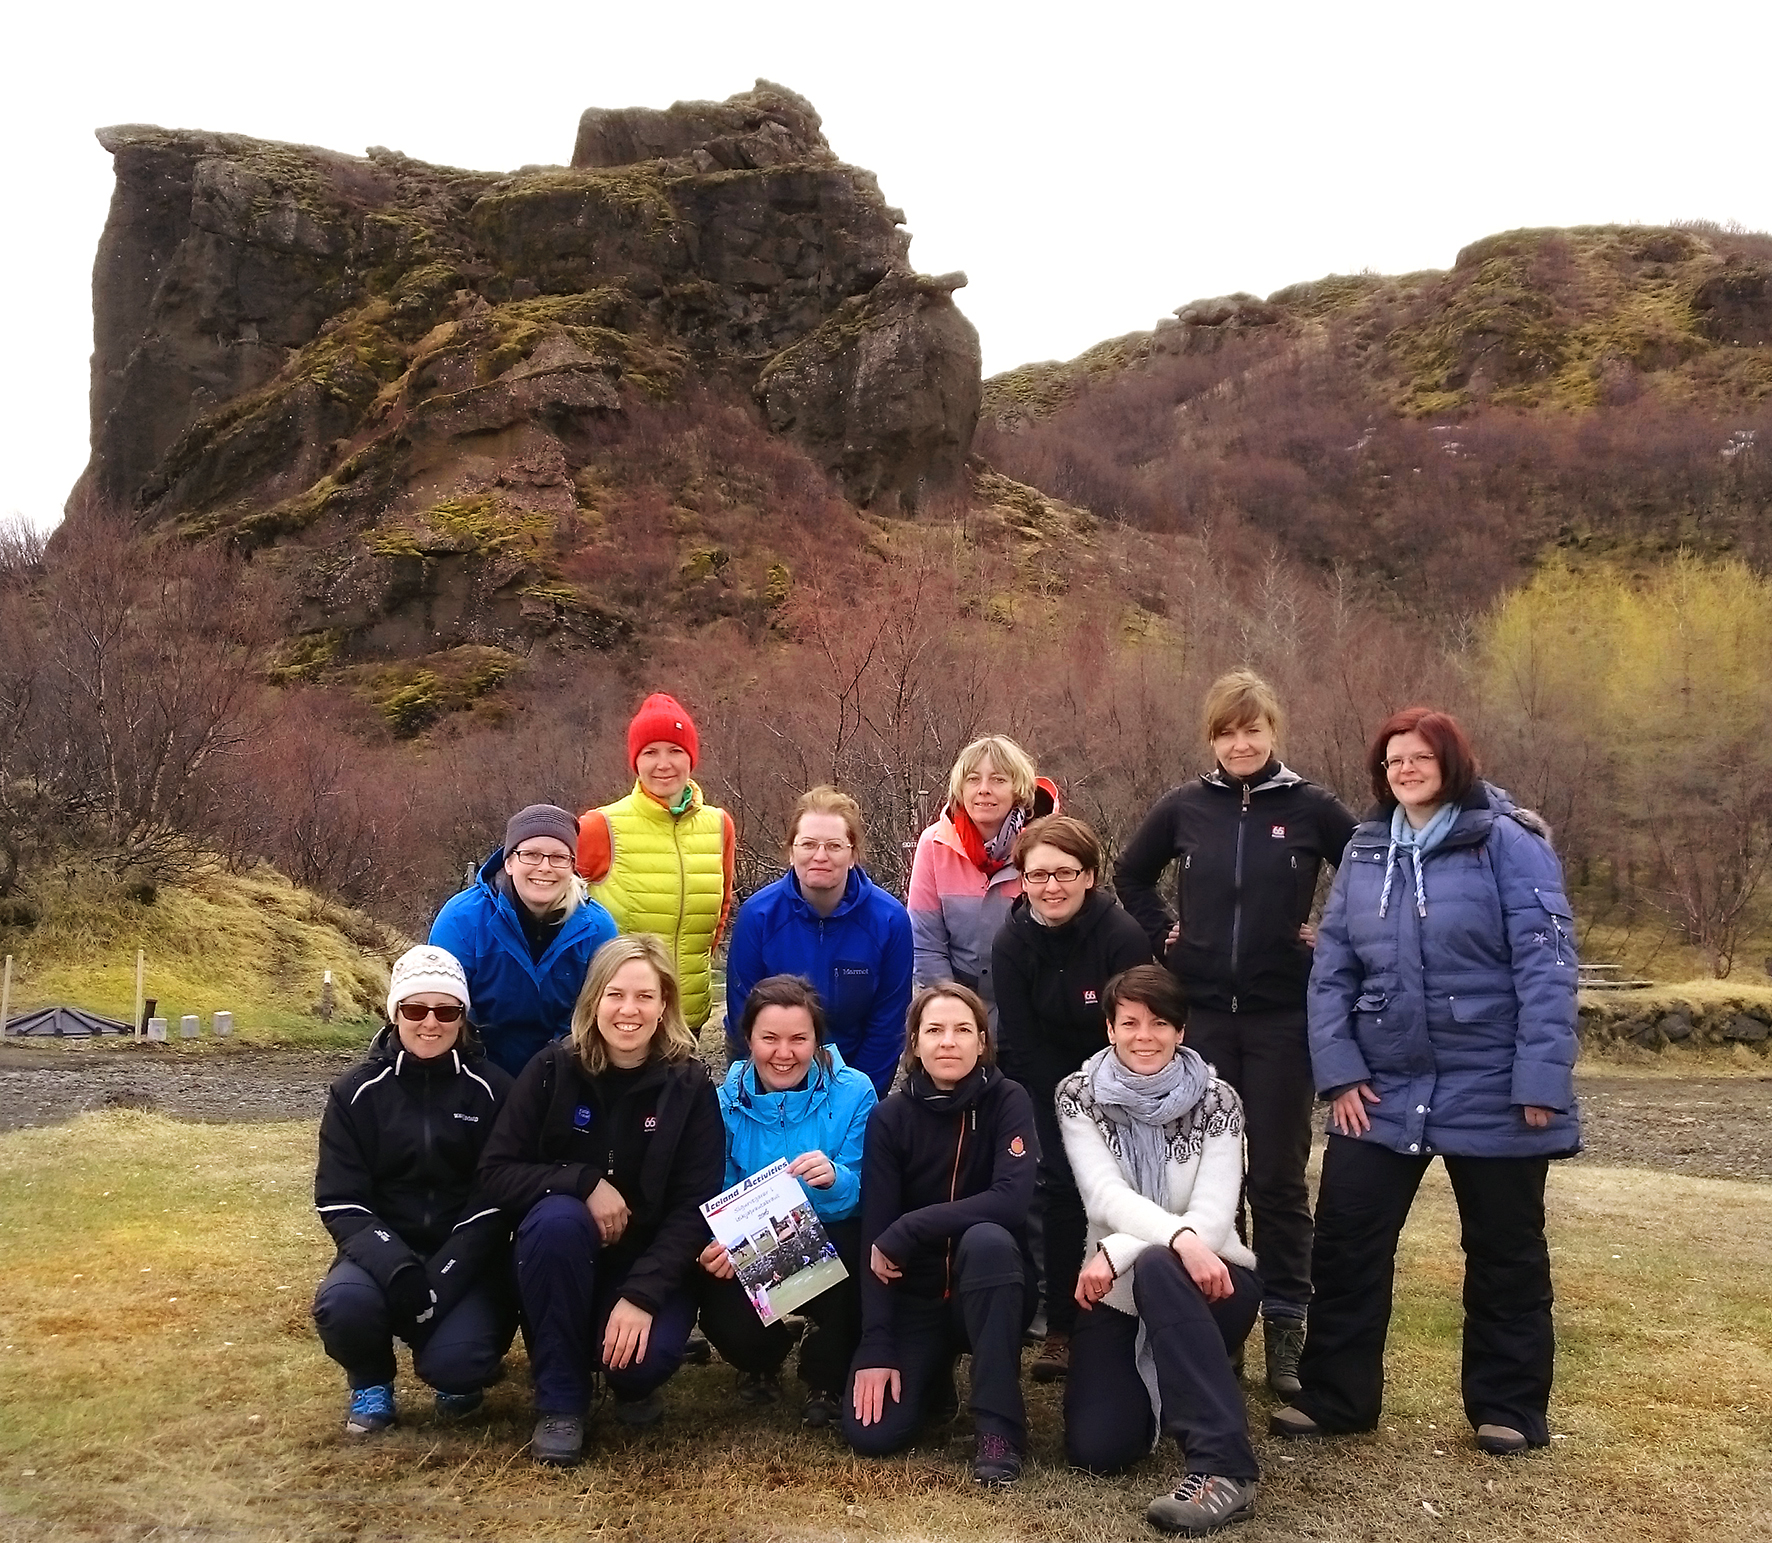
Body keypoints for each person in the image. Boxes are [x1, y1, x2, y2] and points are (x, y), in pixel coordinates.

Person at [1270, 707, 1580, 1458]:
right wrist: (1339, 1069)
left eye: (1418, 757)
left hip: (1494, 1082)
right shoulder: (1367, 849)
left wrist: (1541, 1077)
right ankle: (1337, 1397)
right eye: (1392, 760)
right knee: (1347, 1241)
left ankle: (1508, 1407)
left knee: (1505, 1250)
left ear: (1452, 762)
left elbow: (1547, 965)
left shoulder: (1508, 843)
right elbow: (1333, 967)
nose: (1404, 769)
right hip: (1381, 1086)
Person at [1113, 670, 1355, 1396]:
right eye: (1227, 731)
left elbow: (1369, 871)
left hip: (1284, 1016)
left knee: (1278, 1175)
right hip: (1206, 1015)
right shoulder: (1186, 805)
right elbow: (1129, 874)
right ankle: (1225, 1320)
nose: (1240, 742)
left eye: (1252, 729)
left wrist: (1332, 934)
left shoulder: (1312, 806)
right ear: (1212, 737)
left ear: (1273, 732)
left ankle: (1285, 1321)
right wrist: (1166, 938)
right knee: (1205, 1177)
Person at [475, 933, 724, 1466]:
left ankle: (625, 1372)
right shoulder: (551, 1069)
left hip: (650, 1262)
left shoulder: (689, 1085)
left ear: (664, 1007)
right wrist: (583, 1181)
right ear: (593, 1000)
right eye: (615, 994)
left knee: (637, 1367)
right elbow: (496, 1172)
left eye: (644, 997)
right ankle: (562, 1400)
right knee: (557, 1219)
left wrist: (643, 1295)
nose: (628, 1010)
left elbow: (695, 1204)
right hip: (561, 1255)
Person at [1059, 964, 1262, 1536]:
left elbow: (1215, 1216)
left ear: (1181, 1031)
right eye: (1130, 1023)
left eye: (1160, 1023)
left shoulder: (1219, 1100)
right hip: (1117, 1290)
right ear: (1109, 1029)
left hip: (1213, 1280)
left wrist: (1132, 1247)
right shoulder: (1078, 1097)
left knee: (1157, 1263)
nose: (1144, 1036)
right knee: (1098, 1448)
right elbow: (1103, 1194)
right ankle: (1183, 1380)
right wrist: (1164, 1240)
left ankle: (1223, 1468)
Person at [312, 945, 515, 1436]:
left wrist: (445, 1273)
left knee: (460, 1364)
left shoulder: (494, 1090)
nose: (430, 1022)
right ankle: (371, 1381)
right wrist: (397, 1267)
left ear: (463, 1018)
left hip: (464, 1257)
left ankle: (451, 1366)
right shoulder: (355, 1092)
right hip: (382, 1251)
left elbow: (496, 1197)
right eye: (414, 1008)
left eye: (446, 1011)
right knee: (343, 1306)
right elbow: (342, 1200)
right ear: (394, 1013)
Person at [842, 983, 1039, 1486]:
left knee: (988, 1238)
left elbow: (1010, 1201)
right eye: (934, 1030)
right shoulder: (889, 1118)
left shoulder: (1008, 1100)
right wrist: (877, 1345)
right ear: (913, 1043)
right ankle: (930, 1382)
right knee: (873, 1434)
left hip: (993, 1288)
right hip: (918, 1295)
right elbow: (876, 1234)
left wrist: (913, 1226)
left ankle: (998, 1425)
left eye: (961, 1031)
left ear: (981, 1042)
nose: (948, 1042)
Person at [990, 814, 1152, 1382]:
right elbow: (1021, 1035)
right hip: (1049, 1083)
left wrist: (1109, 1101)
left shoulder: (1121, 936)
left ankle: (1129, 1320)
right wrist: (1068, 1107)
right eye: (1038, 875)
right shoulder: (1011, 941)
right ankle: (1060, 1326)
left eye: (1065, 872)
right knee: (1060, 1190)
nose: (1051, 886)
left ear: (1089, 876)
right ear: (1021, 880)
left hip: (1124, 1081)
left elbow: (1138, 1028)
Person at [697, 975, 878, 1426]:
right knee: (727, 1315)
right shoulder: (722, 1104)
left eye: (799, 1039)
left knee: (859, 1250)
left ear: (818, 1040)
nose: (784, 1053)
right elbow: (718, 1188)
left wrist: (834, 1179)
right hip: (755, 1244)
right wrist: (722, 1241)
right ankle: (767, 1355)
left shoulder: (855, 1092)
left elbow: (858, 1194)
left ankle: (825, 1375)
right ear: (747, 1039)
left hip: (836, 1236)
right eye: (769, 1039)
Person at [723, 786, 914, 1098]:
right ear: (791, 851)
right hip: (772, 1087)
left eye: (835, 846)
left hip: (853, 1087)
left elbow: (887, 1029)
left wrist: (853, 1103)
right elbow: (743, 1022)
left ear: (853, 855)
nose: (820, 856)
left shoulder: (890, 921)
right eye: (808, 844)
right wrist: (768, 1102)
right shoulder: (757, 916)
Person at [576, 693, 735, 1033]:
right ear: (635, 761)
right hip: (620, 1022)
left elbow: (720, 909)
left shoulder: (719, 824)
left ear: (691, 758)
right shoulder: (600, 826)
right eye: (651, 752)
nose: (664, 764)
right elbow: (564, 910)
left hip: (688, 1017)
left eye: (675, 751)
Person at [429, 803, 618, 1078]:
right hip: (475, 1073)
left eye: (558, 857)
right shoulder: (461, 919)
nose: (545, 867)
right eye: (531, 855)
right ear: (508, 862)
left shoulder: (597, 928)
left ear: (573, 865)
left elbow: (595, 1014)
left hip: (568, 1072)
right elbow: (445, 1008)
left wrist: (548, 1075)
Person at [906, 734, 1059, 1030]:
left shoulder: (1046, 847)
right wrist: (956, 1021)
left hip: (1032, 1007)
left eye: (998, 780)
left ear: (1019, 790)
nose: (984, 790)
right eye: (973, 779)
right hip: (955, 1001)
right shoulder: (934, 844)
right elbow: (926, 945)